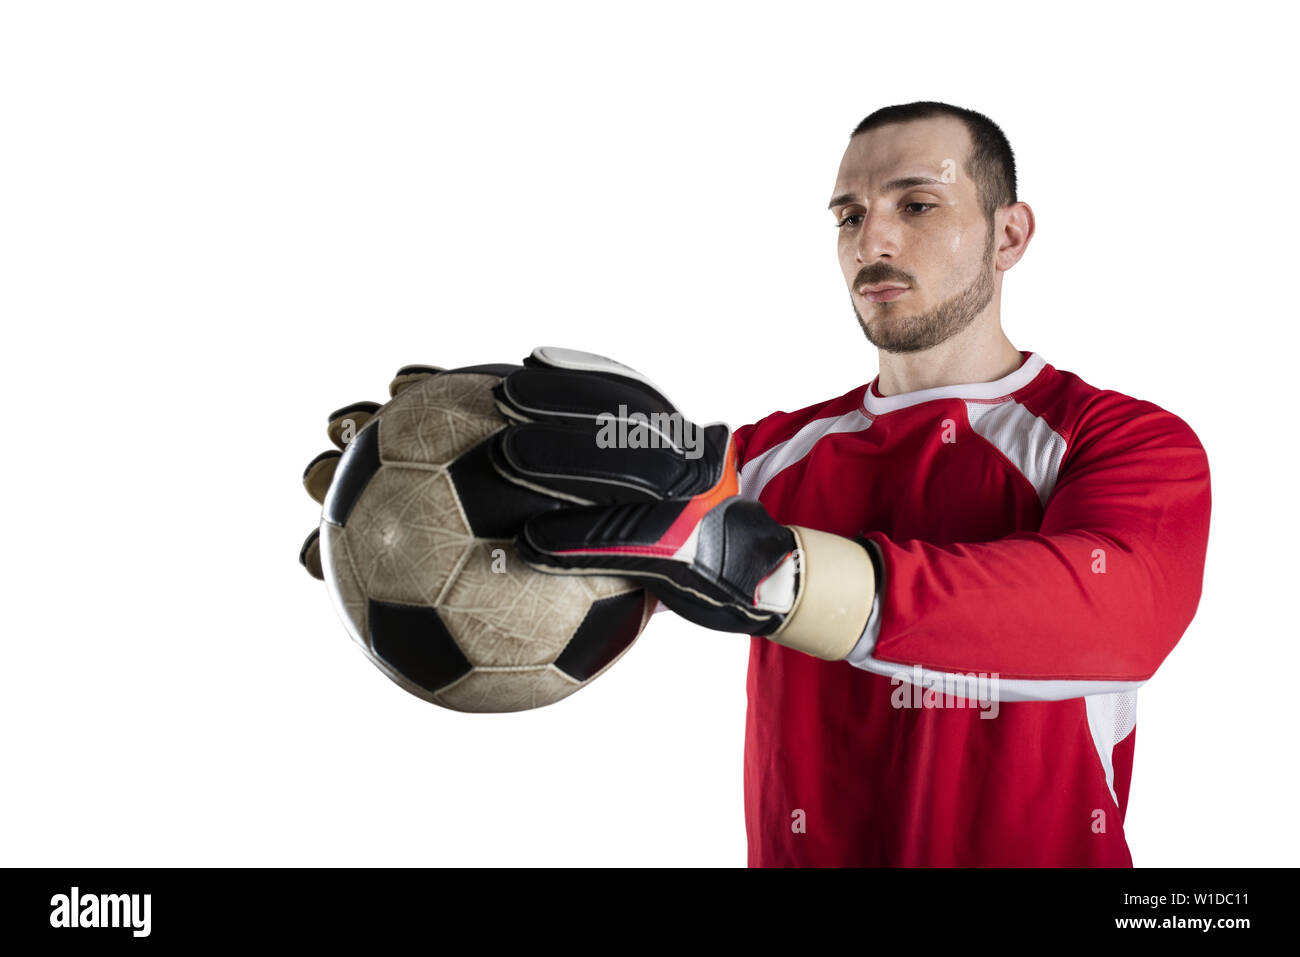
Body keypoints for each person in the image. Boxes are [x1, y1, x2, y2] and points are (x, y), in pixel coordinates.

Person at [502, 101, 1212, 866]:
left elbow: (1113, 618)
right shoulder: (766, 458)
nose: (871, 240)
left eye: (916, 204)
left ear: (1009, 236)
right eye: (849, 215)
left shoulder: (1122, 439)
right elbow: (582, 541)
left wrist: (782, 576)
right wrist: (449, 477)